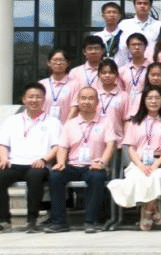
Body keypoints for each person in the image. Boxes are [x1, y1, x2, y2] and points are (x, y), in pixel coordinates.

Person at [0, 83, 62, 234]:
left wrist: (44, 160)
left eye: (38, 97)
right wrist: (3, 159)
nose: (34, 100)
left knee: (35, 177)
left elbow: (57, 147)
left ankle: (32, 220)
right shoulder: (11, 121)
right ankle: (3, 221)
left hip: (38, 164)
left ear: (44, 100)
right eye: (30, 97)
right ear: (23, 99)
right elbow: (2, 144)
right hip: (14, 163)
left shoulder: (53, 122)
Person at [45, 87, 115, 233]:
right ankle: (59, 222)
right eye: (83, 98)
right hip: (73, 165)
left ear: (97, 102)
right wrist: (61, 162)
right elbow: (62, 147)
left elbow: (110, 145)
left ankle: (90, 222)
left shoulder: (106, 122)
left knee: (97, 177)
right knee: (55, 176)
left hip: (93, 165)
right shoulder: (70, 124)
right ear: (78, 101)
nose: (86, 102)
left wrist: (102, 162)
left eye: (90, 98)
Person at [106, 86, 161, 231]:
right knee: (139, 177)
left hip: (160, 162)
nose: (153, 101)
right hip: (138, 162)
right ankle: (154, 207)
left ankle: (146, 212)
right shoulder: (135, 122)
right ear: (143, 101)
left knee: (156, 176)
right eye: (149, 98)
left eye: (157, 98)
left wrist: (156, 164)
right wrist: (141, 166)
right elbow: (130, 147)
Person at [119, 33, 151, 103]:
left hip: (146, 105)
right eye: (133, 45)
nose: (137, 47)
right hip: (127, 105)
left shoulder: (151, 68)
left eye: (139, 44)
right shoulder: (122, 70)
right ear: (128, 48)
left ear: (145, 47)